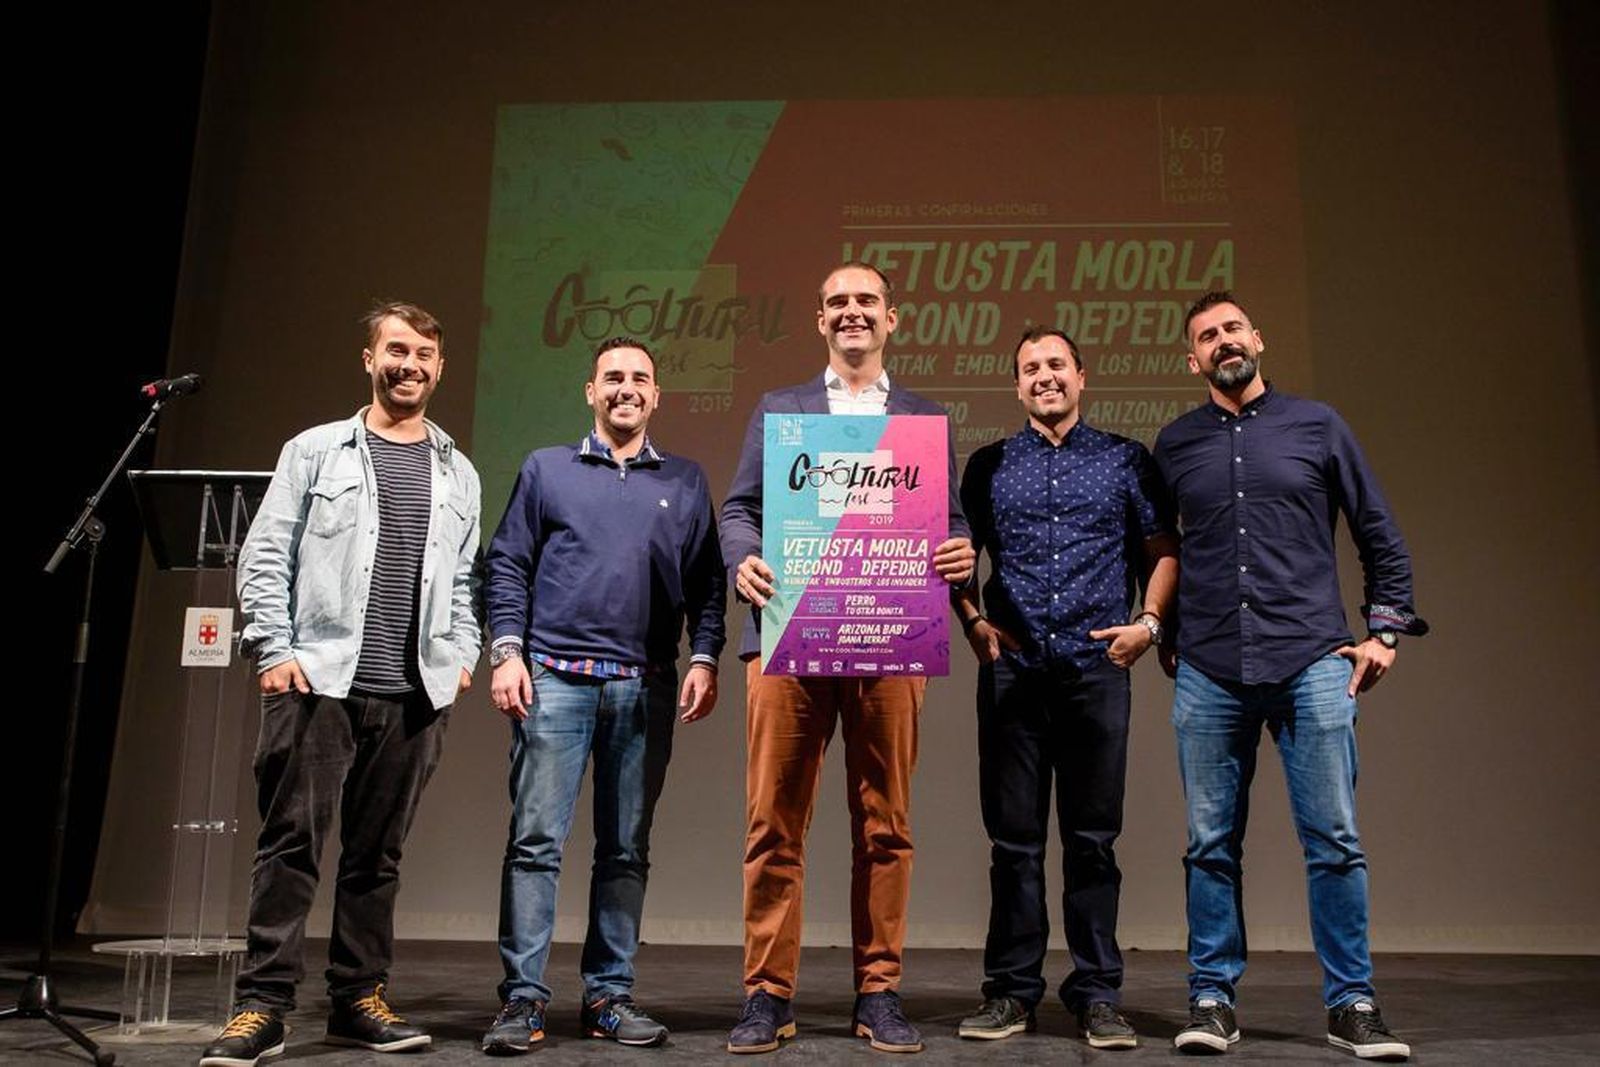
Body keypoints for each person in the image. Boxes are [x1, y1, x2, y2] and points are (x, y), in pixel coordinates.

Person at [203, 301, 482, 1067]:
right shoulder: (316, 450)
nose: (410, 365)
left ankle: (358, 998)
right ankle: (262, 1007)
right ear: (369, 358)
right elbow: (265, 556)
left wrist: (461, 653)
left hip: (414, 692)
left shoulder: (458, 469)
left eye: (424, 354)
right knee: (290, 844)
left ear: (440, 366)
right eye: (397, 350)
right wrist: (272, 648)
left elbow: (462, 579)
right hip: (319, 679)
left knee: (377, 855)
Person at [1153, 291, 1427, 1059]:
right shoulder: (1174, 444)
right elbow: (1162, 550)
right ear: (1192, 358)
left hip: (1311, 657)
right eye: (1207, 336)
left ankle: (1352, 1003)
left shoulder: (1318, 425)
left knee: (1334, 839)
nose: (1223, 342)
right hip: (1209, 666)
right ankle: (1211, 1000)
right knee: (1209, 841)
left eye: (1233, 328)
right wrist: (1162, 627)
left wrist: (1385, 631)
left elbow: (1378, 530)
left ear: (1258, 339)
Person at [720, 263, 975, 1055]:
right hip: (789, 638)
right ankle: (767, 994)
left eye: (867, 301)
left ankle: (879, 990)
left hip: (890, 639)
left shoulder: (924, 420)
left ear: (891, 319)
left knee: (886, 825)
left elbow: (953, 523)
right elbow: (739, 509)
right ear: (820, 319)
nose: (853, 312)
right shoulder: (780, 410)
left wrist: (963, 556)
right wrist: (744, 559)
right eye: (838, 302)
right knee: (773, 824)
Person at [479, 336, 725, 1054]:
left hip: (642, 687)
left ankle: (608, 996)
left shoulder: (684, 480)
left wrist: (704, 658)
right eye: (613, 376)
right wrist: (506, 652)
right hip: (552, 677)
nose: (626, 387)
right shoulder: (546, 469)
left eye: (639, 378)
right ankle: (522, 1001)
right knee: (534, 846)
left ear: (657, 396)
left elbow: (708, 587)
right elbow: (507, 568)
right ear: (591, 390)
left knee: (625, 850)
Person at [953, 326, 1177, 1050]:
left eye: (1056, 365)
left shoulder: (1125, 460)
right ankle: (1011, 992)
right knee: (1013, 843)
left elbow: (1160, 550)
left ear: (1082, 375)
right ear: (1016, 387)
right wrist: (971, 620)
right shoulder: (989, 465)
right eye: (1030, 369)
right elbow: (957, 557)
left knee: (1092, 841)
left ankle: (1098, 994)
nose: (1044, 377)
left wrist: (1148, 622)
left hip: (1095, 670)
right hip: (1014, 672)